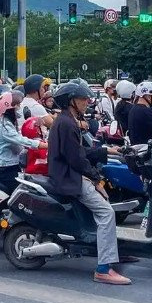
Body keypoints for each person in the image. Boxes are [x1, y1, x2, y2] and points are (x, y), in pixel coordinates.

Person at [48, 82, 129, 285]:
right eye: (83, 99)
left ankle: (113, 252)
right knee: (106, 212)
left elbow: (80, 152)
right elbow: (76, 159)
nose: (87, 102)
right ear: (71, 101)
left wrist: (106, 150)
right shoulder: (66, 124)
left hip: (72, 173)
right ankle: (103, 268)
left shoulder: (67, 121)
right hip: (69, 177)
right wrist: (96, 178)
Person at [0, 90, 47, 192]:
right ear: (8, 108)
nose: (18, 108)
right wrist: (42, 145)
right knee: (23, 194)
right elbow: (19, 140)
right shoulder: (4, 125)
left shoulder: (7, 122)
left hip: (11, 165)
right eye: (16, 105)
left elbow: (19, 135)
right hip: (5, 169)